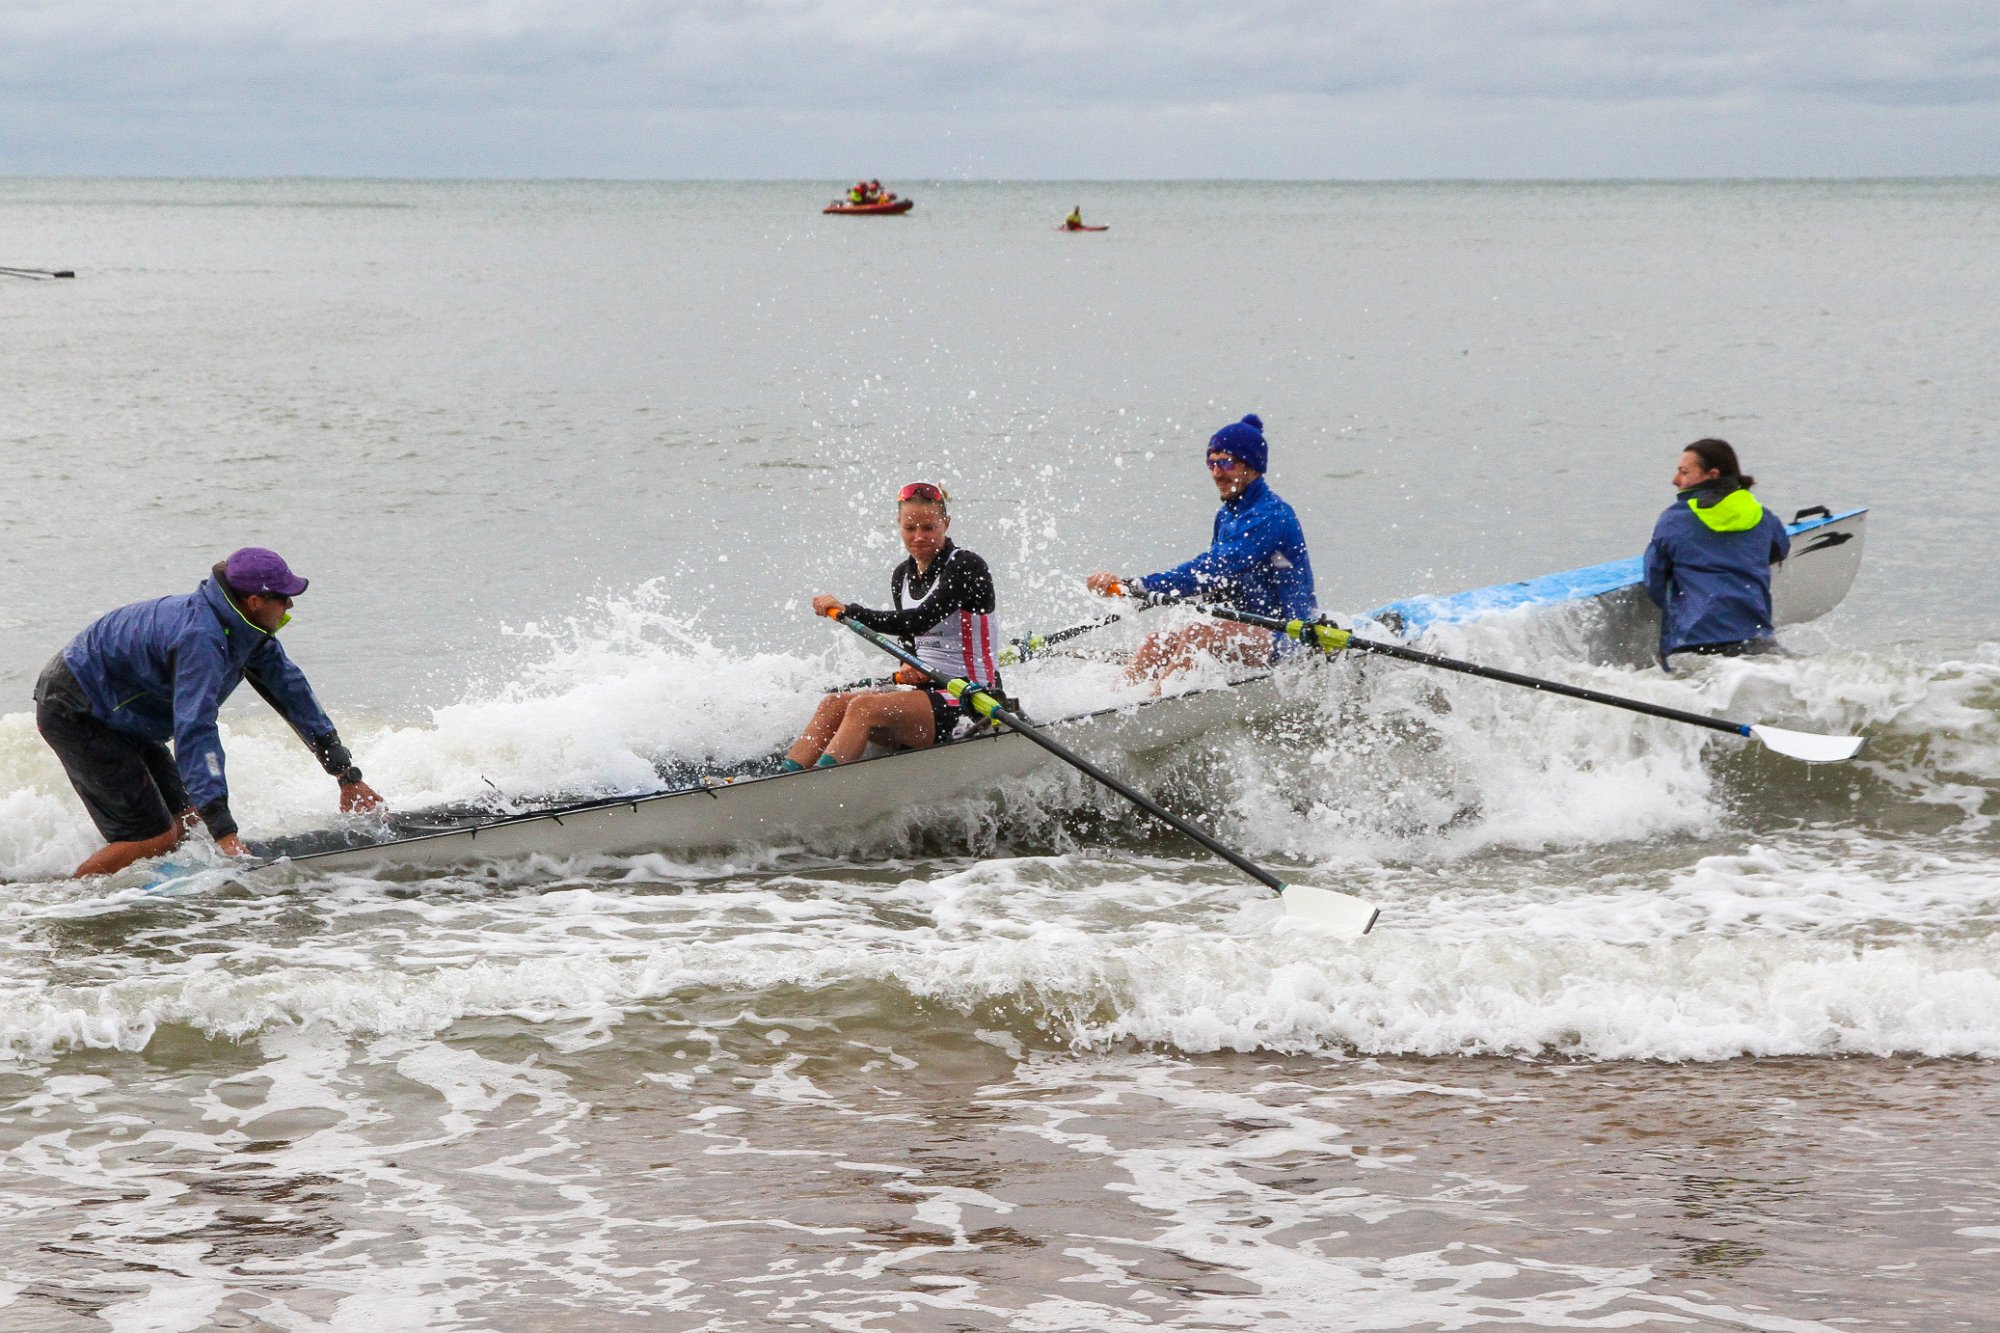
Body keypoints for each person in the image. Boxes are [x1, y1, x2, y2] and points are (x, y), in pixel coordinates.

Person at [33, 548, 385, 878]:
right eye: (284, 597)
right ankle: (67, 901)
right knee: (154, 837)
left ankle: (158, 890)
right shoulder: (201, 638)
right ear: (255, 601)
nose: (290, 603)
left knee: (190, 822)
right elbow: (196, 729)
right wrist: (227, 833)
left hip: (124, 712)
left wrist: (346, 775)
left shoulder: (246, 629)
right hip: (77, 709)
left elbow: (293, 692)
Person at [785, 483, 1005, 769]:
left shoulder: (966, 566)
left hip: (973, 700)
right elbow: (910, 640)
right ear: (899, 525)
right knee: (833, 703)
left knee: (862, 708)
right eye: (910, 528)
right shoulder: (902, 575)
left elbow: (920, 619)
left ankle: (820, 790)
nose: (919, 537)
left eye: (929, 528)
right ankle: (784, 781)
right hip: (927, 696)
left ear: (945, 524)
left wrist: (850, 612)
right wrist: (908, 667)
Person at [1086, 414, 1316, 685]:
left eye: (1226, 463)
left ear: (1252, 467)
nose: (1217, 472)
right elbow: (1216, 586)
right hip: (1245, 628)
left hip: (1291, 635)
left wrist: (1139, 585)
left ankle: (1156, 705)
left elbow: (1212, 571)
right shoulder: (1226, 516)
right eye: (1212, 462)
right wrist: (1128, 589)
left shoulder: (1272, 517)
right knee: (1162, 637)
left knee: (1198, 634)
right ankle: (1120, 699)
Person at [1642, 438, 1792, 668]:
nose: (1675, 480)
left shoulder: (1673, 520)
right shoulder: (1761, 516)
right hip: (1755, 639)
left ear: (1711, 475)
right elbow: (1780, 549)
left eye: (1684, 472)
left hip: (1695, 644)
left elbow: (1655, 583)